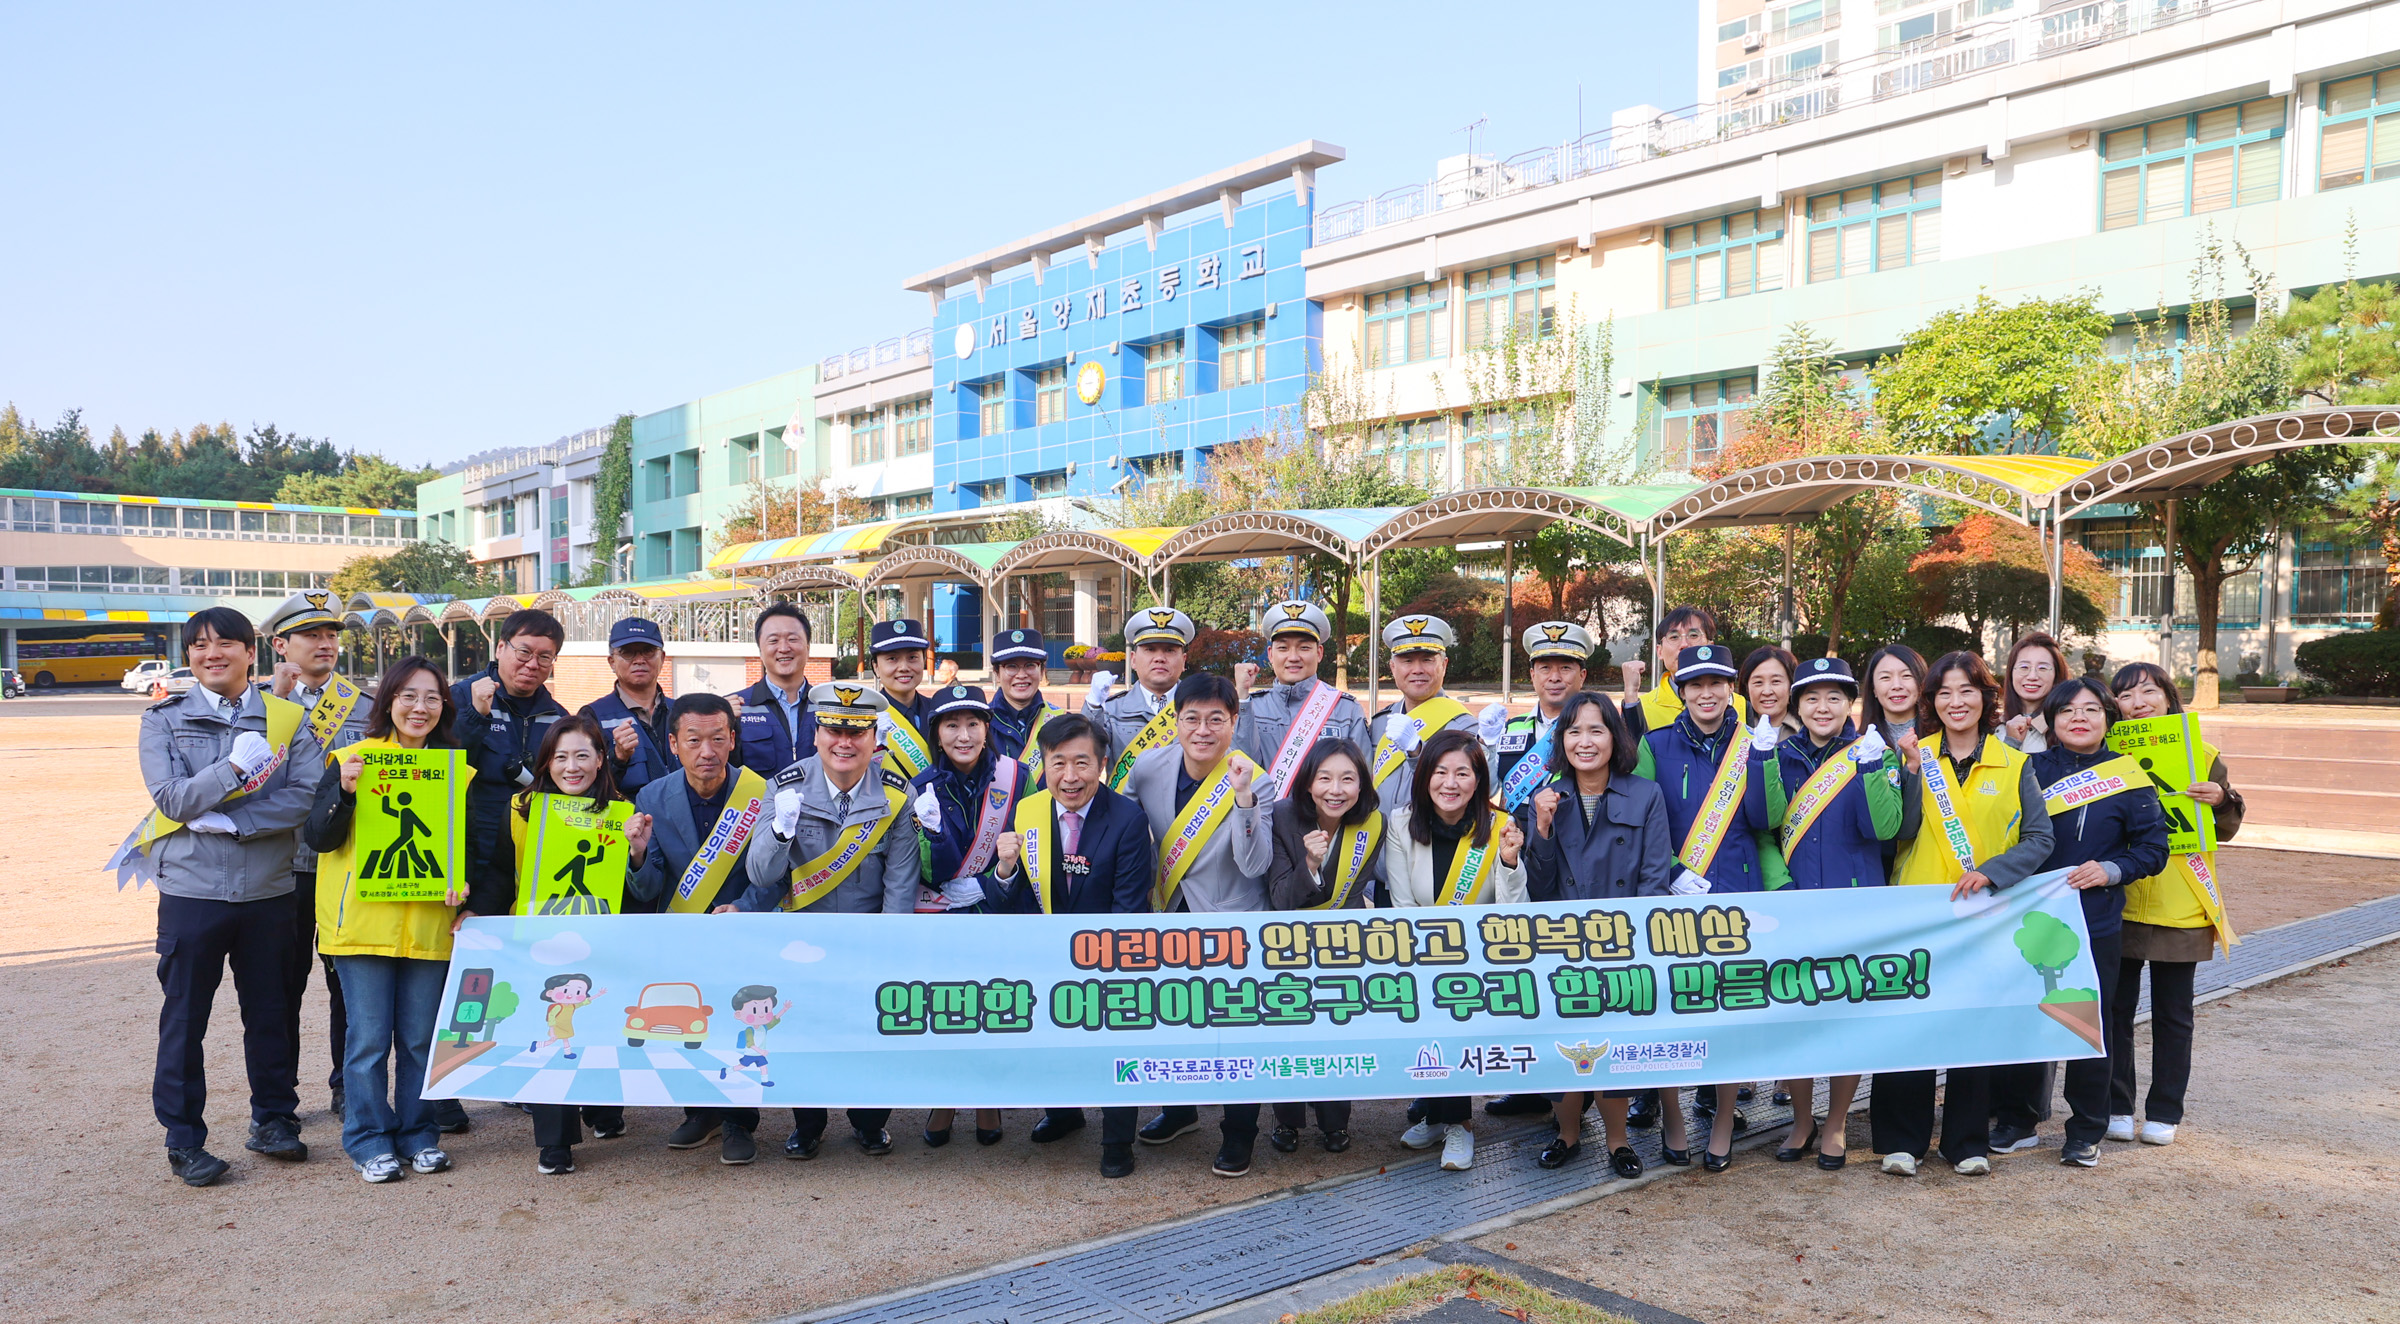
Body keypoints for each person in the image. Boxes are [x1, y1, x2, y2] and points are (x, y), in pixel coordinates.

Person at [122, 606, 325, 1187]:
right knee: (185, 1018)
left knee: (270, 1012)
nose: (212, 654)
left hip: (268, 889)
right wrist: (234, 768)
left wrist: (236, 824)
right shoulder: (163, 719)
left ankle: (274, 1120)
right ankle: (184, 1139)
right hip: (192, 891)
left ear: (249, 652)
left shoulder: (286, 719)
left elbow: (306, 798)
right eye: (200, 646)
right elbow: (172, 800)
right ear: (189, 656)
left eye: (225, 644)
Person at [1872, 651, 2056, 1179]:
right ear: (1931, 702)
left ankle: (1965, 1140)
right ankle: (1901, 1141)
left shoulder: (2015, 763)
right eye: (1945, 693)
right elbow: (1898, 832)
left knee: (1975, 1027)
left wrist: (1995, 871)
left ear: (1985, 698)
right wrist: (1907, 773)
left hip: (1985, 914)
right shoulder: (1913, 754)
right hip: (1919, 912)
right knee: (1910, 1024)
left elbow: (2041, 839)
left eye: (1967, 691)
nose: (1957, 702)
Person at [732, 682, 920, 1160]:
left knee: (868, 1034)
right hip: (802, 938)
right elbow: (759, 873)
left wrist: (887, 953)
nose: (844, 741)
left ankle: (870, 1122)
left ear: (874, 740)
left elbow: (900, 885)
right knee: (802, 1033)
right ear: (816, 734)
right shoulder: (785, 785)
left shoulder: (898, 795)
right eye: (833, 728)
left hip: (866, 939)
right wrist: (779, 832)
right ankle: (808, 1124)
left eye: (856, 732)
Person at [301, 656, 470, 1183]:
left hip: (428, 925)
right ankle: (368, 1138)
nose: (420, 707)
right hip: (362, 927)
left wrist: (467, 891)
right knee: (369, 1040)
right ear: (389, 702)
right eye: (409, 696)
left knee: (421, 1040)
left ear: (444, 707)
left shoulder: (455, 771)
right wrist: (346, 793)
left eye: (432, 698)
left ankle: (419, 1135)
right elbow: (317, 838)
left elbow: (469, 846)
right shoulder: (351, 759)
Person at [1989, 678, 2170, 1168]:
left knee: (2093, 1020)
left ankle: (2086, 1127)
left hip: (2096, 918)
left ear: (2107, 718)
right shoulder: (2029, 767)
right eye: (2067, 710)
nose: (2079, 718)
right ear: (2051, 719)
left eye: (2091, 709)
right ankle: (2018, 1119)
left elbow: (2154, 849)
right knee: (2026, 1013)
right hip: (2030, 917)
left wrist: (2111, 869)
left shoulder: (2128, 777)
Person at [990, 713, 1155, 1177]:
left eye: (1082, 763)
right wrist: (1004, 870)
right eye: (1057, 763)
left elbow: (1129, 908)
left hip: (1108, 960)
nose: (1070, 777)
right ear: (1043, 764)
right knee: (1050, 1040)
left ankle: (1118, 1140)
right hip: (1044, 956)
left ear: (1102, 764)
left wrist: (1092, 960)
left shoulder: (1127, 818)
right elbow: (1010, 898)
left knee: (1112, 1048)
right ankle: (1063, 1113)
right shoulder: (1029, 812)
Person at [1514, 693, 1671, 1178]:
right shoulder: (1546, 796)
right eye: (1574, 731)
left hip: (1623, 946)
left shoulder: (1645, 794)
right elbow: (1537, 888)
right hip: (1561, 948)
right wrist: (1540, 826)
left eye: (1596, 730)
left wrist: (1632, 944)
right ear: (1561, 740)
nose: (1585, 741)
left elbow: (1653, 879)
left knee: (1615, 1047)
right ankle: (1567, 1134)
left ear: (1614, 738)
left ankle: (1619, 1140)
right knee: (1565, 1046)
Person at [1634, 643, 1777, 1170]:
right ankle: (1672, 1113)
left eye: (1716, 682)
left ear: (1730, 688)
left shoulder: (1757, 742)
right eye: (1695, 684)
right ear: (1680, 691)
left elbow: (1766, 821)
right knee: (1672, 1009)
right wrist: (1672, 871)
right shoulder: (1655, 743)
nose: (1707, 693)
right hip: (1672, 894)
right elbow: (1642, 818)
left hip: (1738, 892)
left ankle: (1721, 1119)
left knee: (1729, 1013)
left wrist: (1763, 760)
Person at [1123, 672, 1272, 1176]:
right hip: (1166, 914)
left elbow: (1255, 865)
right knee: (1169, 1022)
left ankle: (1238, 1133)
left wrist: (1245, 801)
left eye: (1216, 720)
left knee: (1234, 1034)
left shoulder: (1254, 776)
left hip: (1231, 922)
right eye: (1192, 718)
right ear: (1176, 720)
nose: (1203, 730)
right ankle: (1181, 1110)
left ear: (1234, 722)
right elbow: (1126, 831)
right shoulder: (1148, 766)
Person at [489, 714, 651, 1174]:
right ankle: (554, 1142)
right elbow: (500, 874)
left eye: (582, 755)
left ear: (602, 760)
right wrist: (475, 915)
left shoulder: (622, 812)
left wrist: (637, 853)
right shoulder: (521, 809)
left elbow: (643, 893)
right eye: (560, 757)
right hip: (539, 943)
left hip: (603, 942)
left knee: (598, 1028)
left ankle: (603, 1110)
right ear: (545, 762)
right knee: (551, 1034)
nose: (571, 767)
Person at [1764, 657, 1905, 1171]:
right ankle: (1802, 1120)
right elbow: (1764, 822)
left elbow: (1883, 830)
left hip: (1854, 904)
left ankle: (1838, 1122)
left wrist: (1871, 769)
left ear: (1851, 704)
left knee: (1847, 1015)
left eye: (1834, 698)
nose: (1822, 708)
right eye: (1811, 699)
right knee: (1794, 1016)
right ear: (1797, 706)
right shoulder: (1777, 756)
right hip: (1794, 905)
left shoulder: (1874, 753)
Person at [625, 691, 772, 1167]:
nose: (705, 752)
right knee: (690, 1024)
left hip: (740, 932)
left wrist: (745, 909)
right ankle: (700, 1112)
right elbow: (647, 890)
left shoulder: (760, 793)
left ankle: (738, 1121)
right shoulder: (651, 797)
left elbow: (775, 874)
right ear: (673, 743)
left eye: (716, 739)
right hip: (683, 934)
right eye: (693, 740)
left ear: (732, 740)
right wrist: (640, 853)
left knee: (739, 1022)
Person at [2107, 662, 2244, 1148]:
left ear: (2168, 697)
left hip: (2180, 901)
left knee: (2173, 1013)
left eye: (2148, 691)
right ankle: (2117, 1105)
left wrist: (2222, 799)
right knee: (2115, 1011)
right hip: (2119, 900)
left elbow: (2227, 826)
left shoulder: (2201, 753)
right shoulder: (2104, 754)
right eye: (2125, 696)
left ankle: (2164, 1111)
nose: (2138, 702)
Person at [1385, 729, 1525, 1172]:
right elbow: (1402, 902)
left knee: (1456, 1027)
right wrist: (1426, 953)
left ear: (1479, 779)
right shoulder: (1401, 822)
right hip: (1420, 949)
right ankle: (1436, 1115)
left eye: (1463, 773)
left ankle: (1459, 1125)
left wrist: (1508, 862)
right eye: (1441, 771)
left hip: (1478, 957)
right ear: (1424, 776)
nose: (1451, 783)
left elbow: (1511, 911)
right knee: (1428, 1032)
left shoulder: (1501, 824)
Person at [261, 590, 373, 1123]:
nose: (325, 643)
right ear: (281, 645)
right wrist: (276, 710)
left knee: (346, 983)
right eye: (311, 635)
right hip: (281, 868)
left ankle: (347, 1084)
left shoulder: (367, 707)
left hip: (340, 864)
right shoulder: (257, 707)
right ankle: (278, 1099)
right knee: (280, 984)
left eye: (331, 634)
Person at [1478, 619, 1594, 1122]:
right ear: (1531, 674)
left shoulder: (1591, 727)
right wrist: (1484, 750)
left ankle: (1580, 1088)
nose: (1554, 676)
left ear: (1581, 675)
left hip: (1578, 861)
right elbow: (1488, 795)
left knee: (1575, 976)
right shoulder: (1509, 730)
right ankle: (1527, 1085)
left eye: (1565, 666)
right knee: (1522, 974)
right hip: (1518, 860)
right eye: (1545, 666)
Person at [908, 684, 1024, 1148]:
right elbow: (923, 869)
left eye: (973, 723)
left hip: (996, 911)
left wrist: (993, 883)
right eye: (951, 725)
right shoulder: (921, 788)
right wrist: (933, 837)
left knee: (990, 1006)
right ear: (937, 733)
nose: (963, 735)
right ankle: (944, 1099)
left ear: (986, 728)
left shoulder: (1017, 778)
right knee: (947, 1007)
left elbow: (1028, 844)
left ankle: (987, 1099)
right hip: (939, 916)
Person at [1264, 737, 1383, 1154]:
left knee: (1337, 1031)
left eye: (1348, 779)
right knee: (1290, 1032)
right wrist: (1310, 864)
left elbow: (1358, 891)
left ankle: (1335, 1122)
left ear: (1361, 785)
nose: (1336, 790)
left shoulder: (1372, 823)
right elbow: (1279, 896)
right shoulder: (1280, 817)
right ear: (1308, 784)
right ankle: (1288, 1120)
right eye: (1325, 778)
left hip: (1339, 946)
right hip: (1287, 945)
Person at [453, 608, 569, 961]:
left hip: (526, 861)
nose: (532, 664)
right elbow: (444, 767)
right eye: (524, 652)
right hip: (466, 855)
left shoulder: (558, 716)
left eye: (544, 656)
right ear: (501, 647)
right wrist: (475, 714)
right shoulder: (460, 696)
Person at [1234, 600, 1368, 799]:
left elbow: (1362, 778)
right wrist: (1242, 698)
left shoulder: (1346, 709)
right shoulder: (1252, 706)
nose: (1293, 657)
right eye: (1283, 648)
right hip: (1265, 824)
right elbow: (1240, 768)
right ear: (1270, 654)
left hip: (1326, 824)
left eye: (1304, 648)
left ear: (1319, 653)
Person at [1365, 614, 1475, 823]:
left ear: (1444, 664)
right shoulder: (1381, 723)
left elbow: (1476, 788)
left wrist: (1418, 752)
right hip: (1381, 844)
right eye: (1407, 661)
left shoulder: (1463, 724)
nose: (1417, 670)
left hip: (1431, 840)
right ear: (1393, 667)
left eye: (1427, 660)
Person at [1086, 606, 1192, 785]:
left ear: (1184, 661)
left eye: (1169, 650)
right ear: (1133, 659)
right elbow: (1089, 759)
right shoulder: (1112, 710)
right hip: (1128, 809)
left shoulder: (1200, 708)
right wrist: (1093, 707)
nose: (1159, 658)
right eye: (1150, 649)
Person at [583, 616, 676, 796]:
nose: (639, 660)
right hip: (628, 821)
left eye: (648, 651)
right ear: (612, 662)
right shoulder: (593, 716)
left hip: (680, 821)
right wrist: (618, 758)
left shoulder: (682, 712)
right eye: (627, 652)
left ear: (662, 658)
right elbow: (584, 788)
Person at [1622, 606, 1742, 739]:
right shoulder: (1642, 707)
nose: (1684, 644)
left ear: (1710, 646)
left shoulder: (1741, 705)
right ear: (1659, 651)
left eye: (1694, 635)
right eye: (1674, 637)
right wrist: (1631, 696)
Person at [1738, 645, 1800, 897]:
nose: (1767, 691)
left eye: (1776, 681)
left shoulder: (1813, 733)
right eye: (1757, 682)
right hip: (1753, 862)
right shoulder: (1734, 737)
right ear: (1745, 688)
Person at [734, 603, 816, 775]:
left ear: (808, 648)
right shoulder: (736, 708)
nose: (784, 648)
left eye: (793, 639)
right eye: (773, 641)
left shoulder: (828, 705)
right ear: (760, 651)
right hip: (759, 802)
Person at [986, 628, 1062, 784]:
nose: (1021, 675)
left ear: (1042, 671)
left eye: (1030, 665)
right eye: (1011, 666)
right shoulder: (981, 724)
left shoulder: (1061, 721)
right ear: (996, 673)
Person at [868, 618, 938, 788]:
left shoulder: (939, 712)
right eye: (892, 659)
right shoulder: (865, 717)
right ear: (876, 667)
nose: (904, 667)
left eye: (912, 657)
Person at [2001, 632, 2071, 753]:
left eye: (2042, 668)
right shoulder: (1992, 727)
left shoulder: (2070, 725)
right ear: (2011, 673)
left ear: (2056, 675)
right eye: (2024, 667)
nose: (2032, 676)